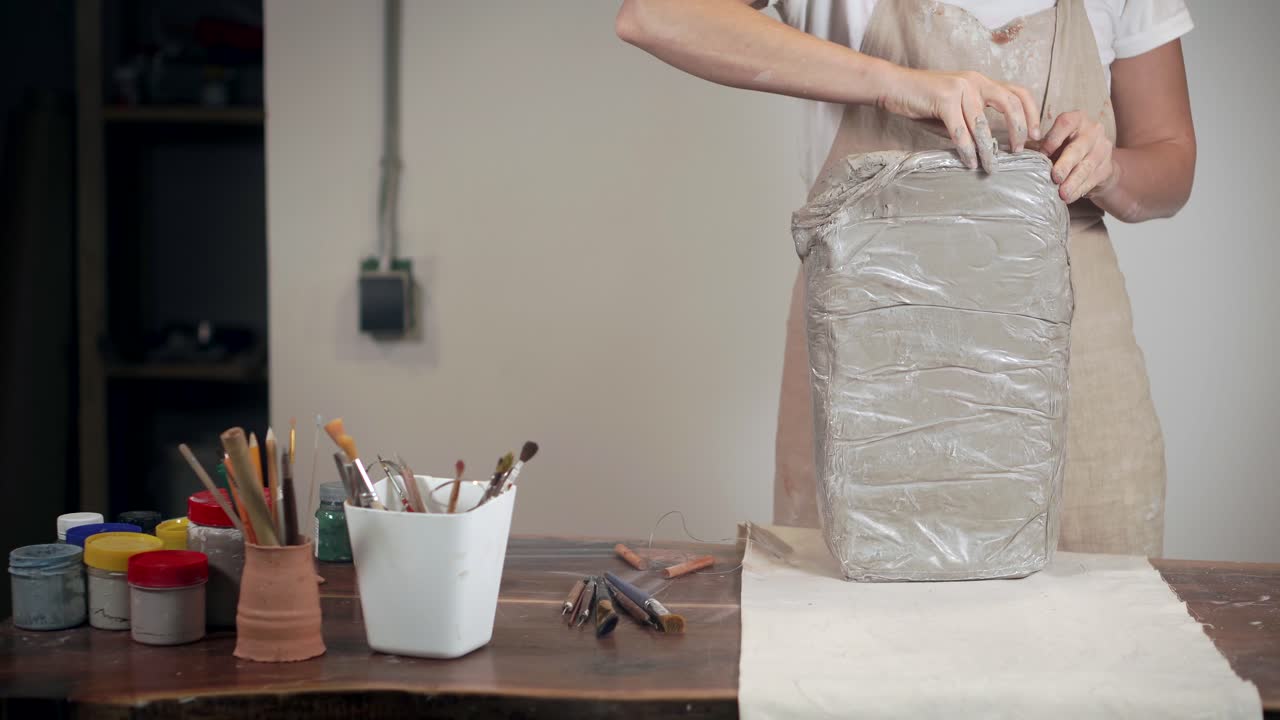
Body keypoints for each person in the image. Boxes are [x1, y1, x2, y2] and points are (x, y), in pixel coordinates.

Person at [617, 0, 1196, 555]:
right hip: (870, 349)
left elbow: (1170, 160)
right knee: (855, 601)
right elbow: (655, 13)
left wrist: (1109, 169)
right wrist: (892, 83)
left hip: (1066, 360)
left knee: (1093, 600)